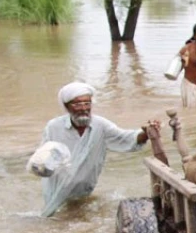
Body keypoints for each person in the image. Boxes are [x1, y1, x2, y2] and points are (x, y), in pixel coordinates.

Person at [36, 82, 157, 217]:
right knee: (53, 218)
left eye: (87, 103)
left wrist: (145, 134)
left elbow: (126, 138)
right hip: (56, 188)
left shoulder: (100, 125)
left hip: (83, 192)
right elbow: (42, 157)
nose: (83, 108)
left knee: (79, 219)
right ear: (66, 107)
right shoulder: (54, 127)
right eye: (77, 104)